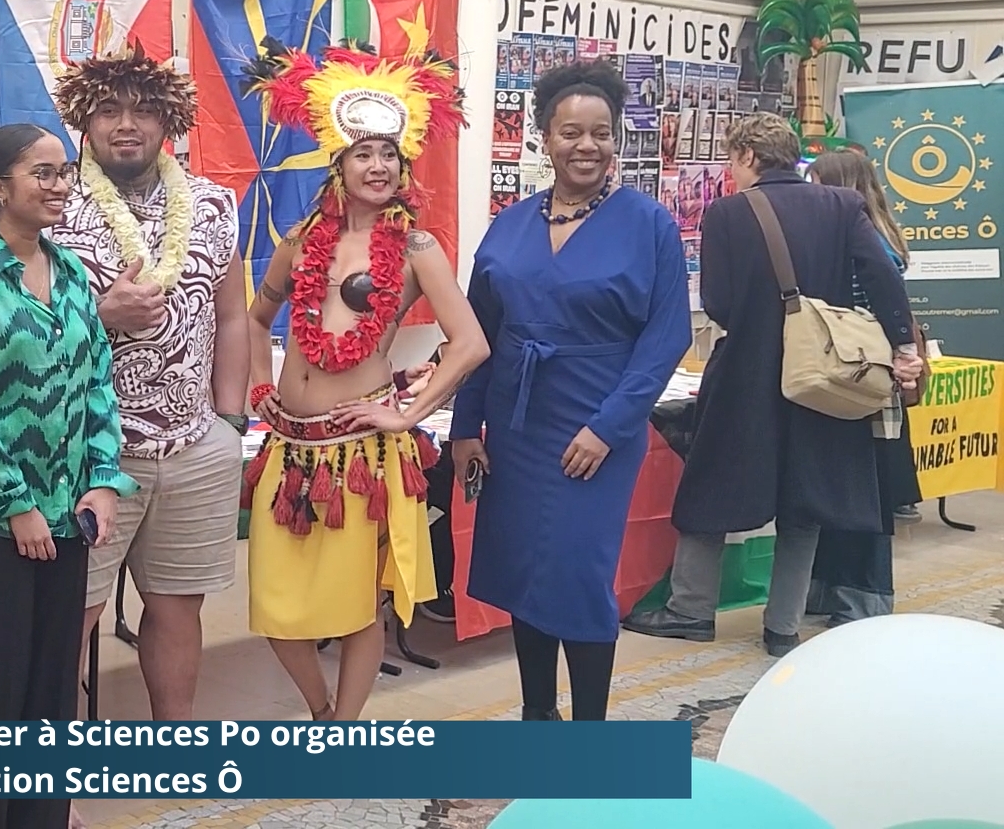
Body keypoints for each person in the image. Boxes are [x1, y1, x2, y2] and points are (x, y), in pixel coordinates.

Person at [241, 40, 490, 721]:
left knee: (357, 606)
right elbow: (256, 321)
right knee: (274, 606)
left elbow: (468, 344)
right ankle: (321, 707)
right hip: (288, 451)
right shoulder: (299, 240)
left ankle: (340, 729)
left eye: (389, 154)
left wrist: (407, 415)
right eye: (364, 153)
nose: (377, 165)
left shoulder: (415, 247)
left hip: (362, 452)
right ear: (338, 162)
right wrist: (260, 392)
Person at [623, 113, 924, 657]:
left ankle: (690, 609)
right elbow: (881, 276)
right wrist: (904, 346)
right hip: (822, 374)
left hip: (747, 372)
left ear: (746, 157)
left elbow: (717, 302)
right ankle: (782, 626)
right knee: (806, 499)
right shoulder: (842, 206)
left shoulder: (728, 214)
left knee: (710, 486)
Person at [450, 62, 693, 721]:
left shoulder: (647, 224)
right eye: (570, 133)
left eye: (601, 133)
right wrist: (467, 429)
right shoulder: (509, 224)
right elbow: (478, 333)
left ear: (615, 140)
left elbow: (666, 339)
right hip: (517, 429)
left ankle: (588, 728)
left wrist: (608, 428)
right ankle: (537, 716)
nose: (587, 146)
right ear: (544, 140)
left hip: (596, 431)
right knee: (528, 571)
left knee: (579, 576)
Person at [0, 122, 137, 829]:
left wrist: (104, 479)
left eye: (63, 172)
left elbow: (99, 384)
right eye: (40, 173)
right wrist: (15, 503)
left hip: (67, 519)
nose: (57, 185)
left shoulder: (74, 272)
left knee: (51, 700)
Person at [47, 45, 247, 722]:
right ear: (84, 121)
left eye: (143, 110)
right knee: (71, 617)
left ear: (170, 122)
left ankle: (170, 749)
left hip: (194, 446)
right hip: (86, 453)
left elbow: (231, 315)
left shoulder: (215, 205)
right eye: (109, 110)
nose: (126, 124)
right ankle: (55, 790)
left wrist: (231, 420)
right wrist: (101, 315)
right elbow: (11, 327)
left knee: (176, 606)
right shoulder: (49, 202)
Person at [804, 148, 927, 625]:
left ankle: (860, 596)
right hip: (868, 376)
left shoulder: (865, 240)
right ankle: (837, 592)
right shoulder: (880, 231)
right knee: (850, 486)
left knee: (864, 490)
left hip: (866, 377)